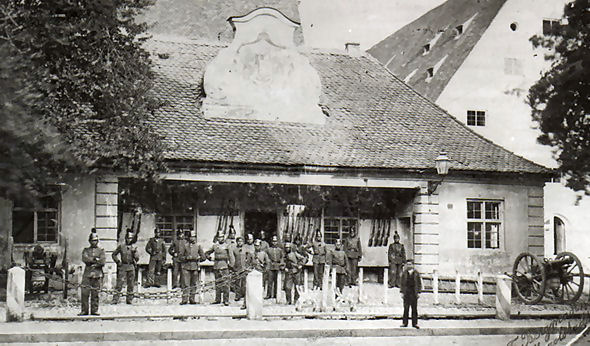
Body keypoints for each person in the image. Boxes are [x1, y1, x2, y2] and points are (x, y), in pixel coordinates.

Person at [80, 229, 106, 315]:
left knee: (95, 294)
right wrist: (95, 259)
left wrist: (94, 262)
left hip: (97, 274)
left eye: (95, 240)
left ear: (97, 241)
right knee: (84, 293)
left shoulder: (101, 250)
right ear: (89, 241)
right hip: (87, 274)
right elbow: (85, 258)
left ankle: (94, 310)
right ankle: (84, 310)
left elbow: (102, 261)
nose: (94, 242)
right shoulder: (86, 250)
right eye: (92, 240)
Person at [205, 232, 235, 305]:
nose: (220, 238)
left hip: (225, 266)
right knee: (218, 283)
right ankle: (217, 299)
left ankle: (226, 300)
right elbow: (207, 253)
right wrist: (209, 258)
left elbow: (231, 257)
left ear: (224, 238)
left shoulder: (227, 246)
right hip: (216, 266)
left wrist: (231, 266)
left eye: (221, 237)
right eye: (219, 237)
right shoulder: (215, 246)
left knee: (226, 284)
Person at [178, 229, 205, 304]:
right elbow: (180, 257)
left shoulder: (198, 246)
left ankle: (192, 299)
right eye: (191, 237)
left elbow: (203, 257)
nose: (193, 238)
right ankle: (184, 299)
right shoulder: (185, 246)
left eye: (194, 237)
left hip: (195, 267)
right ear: (189, 237)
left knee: (194, 284)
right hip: (186, 267)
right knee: (185, 284)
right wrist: (186, 258)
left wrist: (198, 258)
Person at [112, 232, 139, 304]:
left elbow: (137, 259)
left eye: (131, 238)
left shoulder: (134, 248)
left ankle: (129, 299)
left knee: (131, 284)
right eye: (128, 238)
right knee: (119, 283)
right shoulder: (121, 246)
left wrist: (134, 252)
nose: (129, 240)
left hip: (131, 266)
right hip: (123, 266)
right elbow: (114, 254)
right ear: (125, 238)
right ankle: (115, 299)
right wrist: (118, 262)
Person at [232, 237, 253, 307]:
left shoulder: (246, 250)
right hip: (237, 268)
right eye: (238, 241)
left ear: (243, 242)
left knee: (244, 283)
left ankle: (244, 295)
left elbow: (250, 258)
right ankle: (237, 296)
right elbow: (232, 259)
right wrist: (233, 267)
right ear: (236, 242)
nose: (240, 243)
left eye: (241, 241)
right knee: (237, 283)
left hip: (244, 268)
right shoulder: (234, 250)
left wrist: (248, 266)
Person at [400, 259, 422, 329]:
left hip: (414, 293)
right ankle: (404, 323)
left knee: (414, 309)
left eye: (410, 264)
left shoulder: (416, 273)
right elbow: (402, 283)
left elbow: (419, 283)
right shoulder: (404, 273)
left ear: (413, 265)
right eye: (408, 264)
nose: (409, 266)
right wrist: (402, 292)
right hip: (407, 293)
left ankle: (415, 323)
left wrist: (419, 292)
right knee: (406, 309)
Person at [265, 235, 284, 300]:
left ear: (277, 242)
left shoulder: (280, 250)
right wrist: (269, 262)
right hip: (271, 266)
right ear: (271, 242)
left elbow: (282, 258)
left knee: (277, 281)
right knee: (270, 281)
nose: (274, 242)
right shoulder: (268, 250)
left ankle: (276, 294)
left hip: (277, 266)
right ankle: (269, 294)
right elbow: (266, 257)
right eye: (273, 241)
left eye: (275, 241)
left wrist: (281, 264)